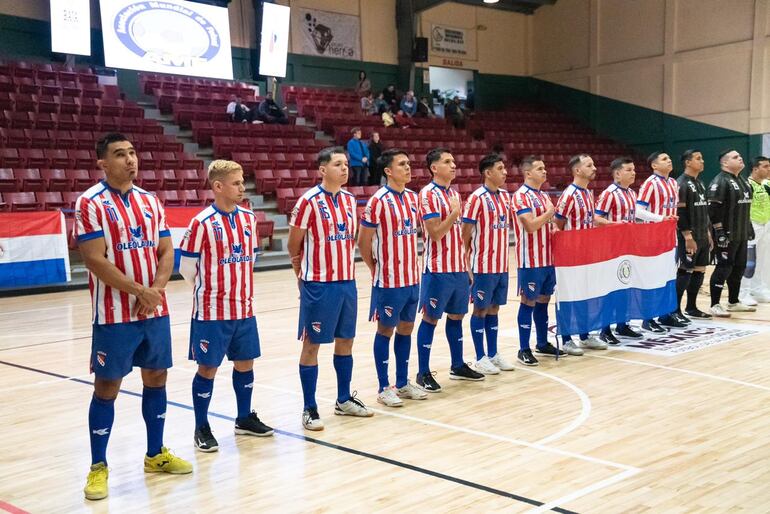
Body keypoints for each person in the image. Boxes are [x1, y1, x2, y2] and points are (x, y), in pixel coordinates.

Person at [76, 133, 192, 501]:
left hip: (153, 308)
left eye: (132, 153)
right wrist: (138, 291)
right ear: (102, 163)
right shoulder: (89, 203)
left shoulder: (150, 201)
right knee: (107, 387)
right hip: (113, 314)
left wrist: (155, 290)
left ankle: (155, 455)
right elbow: (94, 258)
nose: (130, 160)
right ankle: (98, 467)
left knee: (156, 377)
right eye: (120, 154)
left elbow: (166, 249)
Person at [179, 160, 274, 453]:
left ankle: (244, 417)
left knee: (246, 363)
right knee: (208, 368)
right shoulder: (201, 223)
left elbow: (252, 257)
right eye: (236, 182)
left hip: (244, 309)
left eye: (242, 181)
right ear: (218, 186)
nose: (242, 187)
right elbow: (187, 268)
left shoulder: (248, 218)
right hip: (212, 312)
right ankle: (201, 426)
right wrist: (213, 290)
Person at [287, 147, 374, 431]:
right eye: (338, 164)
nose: (345, 168)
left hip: (346, 282)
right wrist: (303, 277)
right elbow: (293, 245)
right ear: (322, 170)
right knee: (312, 344)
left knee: (345, 341)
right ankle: (309, 407)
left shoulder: (350, 200)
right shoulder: (308, 201)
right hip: (319, 285)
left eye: (346, 164)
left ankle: (343, 398)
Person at [358, 149, 428, 407]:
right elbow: (363, 241)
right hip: (389, 280)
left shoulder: (413, 198)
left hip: (412, 277)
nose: (408, 168)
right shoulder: (377, 201)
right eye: (402, 164)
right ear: (388, 171)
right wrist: (374, 267)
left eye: (409, 163)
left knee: (406, 328)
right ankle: (383, 386)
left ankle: (402, 382)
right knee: (385, 329)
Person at [416, 148, 484, 392]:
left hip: (457, 268)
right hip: (437, 269)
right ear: (434, 167)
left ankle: (457, 365)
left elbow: (457, 236)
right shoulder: (427, 194)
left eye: (454, 161)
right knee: (431, 318)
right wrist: (455, 212)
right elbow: (434, 233)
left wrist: (466, 265)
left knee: (457, 316)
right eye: (447, 162)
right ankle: (423, 373)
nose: (454, 165)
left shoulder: (452, 193)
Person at [461, 153, 515, 374]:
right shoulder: (476, 198)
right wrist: (466, 265)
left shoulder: (505, 196)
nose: (505, 172)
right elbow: (464, 235)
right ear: (487, 173)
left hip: (501, 265)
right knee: (480, 310)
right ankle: (480, 356)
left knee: (494, 309)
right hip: (482, 265)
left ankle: (493, 353)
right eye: (500, 168)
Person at [553, 154, 611, 354]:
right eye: (589, 165)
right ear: (577, 170)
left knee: (586, 295)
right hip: (570, 257)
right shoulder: (569, 194)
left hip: (586, 255)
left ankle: (585, 336)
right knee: (570, 297)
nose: (594, 168)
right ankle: (567, 338)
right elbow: (557, 226)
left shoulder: (587, 193)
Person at [510, 156, 561, 366]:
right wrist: (549, 214)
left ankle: (542, 342)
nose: (545, 171)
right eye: (540, 168)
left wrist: (554, 227)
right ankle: (524, 348)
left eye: (545, 168)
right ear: (528, 173)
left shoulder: (543, 196)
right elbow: (530, 226)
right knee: (528, 301)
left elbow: (547, 224)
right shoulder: (521, 196)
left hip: (548, 258)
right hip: (530, 260)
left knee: (544, 300)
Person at [595, 157, 645, 342]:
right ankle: (605, 330)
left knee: (626, 286)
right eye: (629, 170)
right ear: (617, 173)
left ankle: (623, 325)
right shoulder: (609, 193)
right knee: (610, 289)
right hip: (610, 249)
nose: (633, 172)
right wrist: (616, 225)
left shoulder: (632, 193)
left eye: (633, 169)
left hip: (628, 248)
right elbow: (597, 218)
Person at [636, 151, 681, 331]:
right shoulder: (650, 184)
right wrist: (660, 219)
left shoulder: (673, 182)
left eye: (670, 158)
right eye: (664, 159)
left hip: (670, 236)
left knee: (669, 277)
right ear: (654, 165)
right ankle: (648, 319)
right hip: (652, 237)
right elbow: (638, 210)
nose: (669, 160)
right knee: (652, 278)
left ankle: (665, 314)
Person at [708, 149, 755, 316]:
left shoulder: (743, 181)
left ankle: (733, 301)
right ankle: (714, 304)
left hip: (741, 233)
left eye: (740, 155)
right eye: (736, 157)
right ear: (725, 163)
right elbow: (713, 210)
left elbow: (745, 207)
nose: (740, 158)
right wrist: (719, 231)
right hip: (726, 235)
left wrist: (748, 226)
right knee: (724, 267)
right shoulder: (720, 181)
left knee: (739, 267)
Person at [675, 150, 713, 320]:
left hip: (702, 235)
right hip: (688, 237)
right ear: (687, 162)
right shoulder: (681, 183)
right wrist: (688, 237)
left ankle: (692, 307)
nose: (702, 161)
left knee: (700, 270)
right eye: (698, 158)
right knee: (685, 270)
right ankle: (675, 310)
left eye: (702, 157)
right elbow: (680, 213)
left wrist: (707, 233)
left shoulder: (700, 183)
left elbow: (703, 211)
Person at [740, 156, 770, 304]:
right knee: (748, 261)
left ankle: (759, 289)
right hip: (752, 225)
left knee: (764, 260)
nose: (769, 169)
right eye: (765, 166)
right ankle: (743, 292)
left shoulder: (765, 185)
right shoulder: (747, 185)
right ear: (755, 169)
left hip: (766, 224)